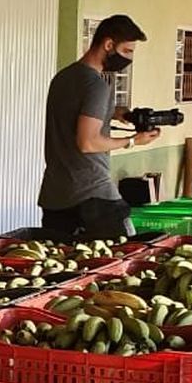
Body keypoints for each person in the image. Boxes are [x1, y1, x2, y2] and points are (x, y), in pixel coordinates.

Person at [40, 14, 160, 239]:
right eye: (127, 51)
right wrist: (134, 140)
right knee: (122, 257)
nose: (129, 59)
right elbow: (87, 142)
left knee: (65, 265)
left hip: (55, 197)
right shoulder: (96, 85)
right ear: (108, 44)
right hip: (93, 195)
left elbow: (73, 115)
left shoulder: (63, 78)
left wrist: (115, 113)